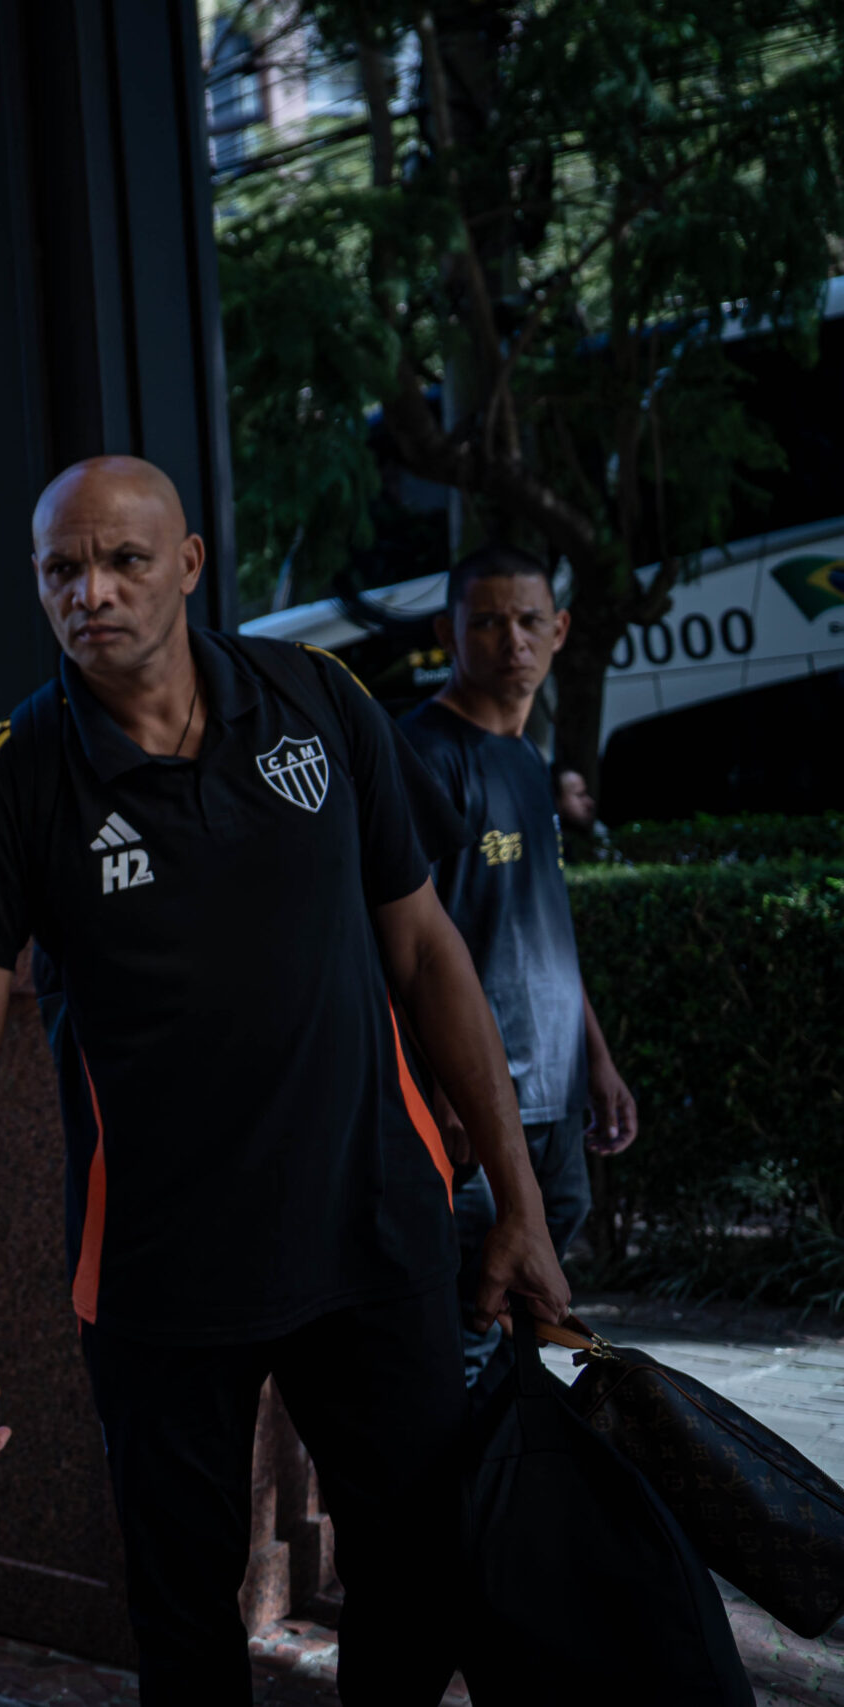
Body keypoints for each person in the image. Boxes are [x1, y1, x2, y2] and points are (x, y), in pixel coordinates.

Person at [0, 457, 571, 1703]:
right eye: (61, 571)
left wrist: (517, 1200)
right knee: (183, 1628)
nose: (91, 593)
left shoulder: (314, 697)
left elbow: (427, 951)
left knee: (421, 1576)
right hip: (161, 1273)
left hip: (373, 1232)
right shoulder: (14, 774)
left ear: (190, 565)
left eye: (123, 561)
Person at [400, 545, 639, 1384]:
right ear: (447, 632)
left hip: (555, 1089)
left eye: (531, 620)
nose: (514, 641)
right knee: (473, 1317)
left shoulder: (530, 757)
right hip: (474, 1098)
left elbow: (545, 924)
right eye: (489, 622)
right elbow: (401, 947)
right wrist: (442, 1086)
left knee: (529, 1315)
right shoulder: (423, 756)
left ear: (561, 628)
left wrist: (597, 1060)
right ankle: (467, 1470)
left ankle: (514, 1460)